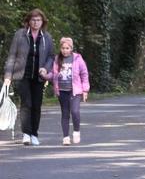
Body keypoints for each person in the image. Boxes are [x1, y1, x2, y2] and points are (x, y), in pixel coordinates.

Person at [3, 9, 55, 146]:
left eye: (38, 20)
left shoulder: (47, 37)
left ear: (42, 22)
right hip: (22, 75)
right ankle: (26, 133)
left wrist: (46, 68)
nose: (36, 22)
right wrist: (8, 76)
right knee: (26, 104)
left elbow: (51, 56)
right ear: (28, 21)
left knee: (36, 105)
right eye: (33, 20)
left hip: (39, 77)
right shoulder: (20, 35)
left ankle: (34, 134)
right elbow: (12, 56)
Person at [43, 37, 89, 145]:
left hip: (75, 91)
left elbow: (84, 74)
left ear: (71, 48)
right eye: (63, 48)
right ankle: (66, 137)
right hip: (62, 91)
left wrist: (85, 90)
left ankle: (76, 131)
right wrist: (45, 75)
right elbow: (53, 74)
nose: (65, 50)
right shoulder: (57, 59)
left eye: (67, 48)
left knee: (75, 112)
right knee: (65, 113)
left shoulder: (77, 59)